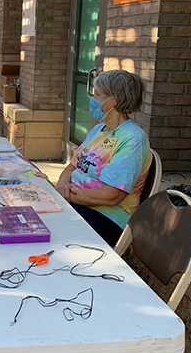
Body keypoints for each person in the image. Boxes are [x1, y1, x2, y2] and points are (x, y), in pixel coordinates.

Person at [51, 70, 151, 246]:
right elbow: (71, 167)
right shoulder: (99, 130)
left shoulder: (133, 138)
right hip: (78, 203)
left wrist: (64, 195)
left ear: (115, 100)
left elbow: (111, 196)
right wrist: (62, 186)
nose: (93, 99)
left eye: (98, 94)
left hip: (108, 217)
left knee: (45, 225)